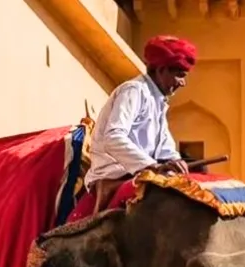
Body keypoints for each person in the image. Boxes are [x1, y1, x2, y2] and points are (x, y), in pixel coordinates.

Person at [84, 34, 197, 212]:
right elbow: (113, 137)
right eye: (180, 75)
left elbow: (164, 148)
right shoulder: (133, 91)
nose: (183, 83)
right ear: (161, 70)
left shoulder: (158, 101)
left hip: (144, 174)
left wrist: (175, 162)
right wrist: (151, 166)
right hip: (115, 174)